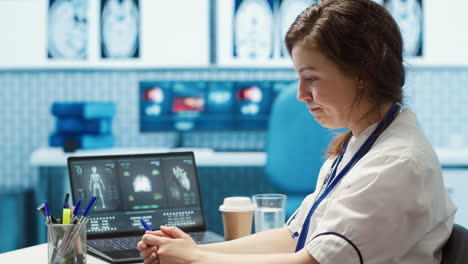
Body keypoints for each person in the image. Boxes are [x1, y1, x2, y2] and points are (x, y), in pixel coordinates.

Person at [137, 0, 457, 263]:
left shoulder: (394, 166)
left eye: (312, 78)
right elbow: (295, 236)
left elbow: (310, 262)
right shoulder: (359, 148)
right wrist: (195, 250)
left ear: (363, 73)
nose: (301, 94)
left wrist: (195, 260)